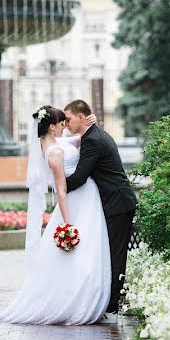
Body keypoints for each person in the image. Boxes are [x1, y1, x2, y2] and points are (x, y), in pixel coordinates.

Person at [0, 105, 111, 325]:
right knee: (84, 251)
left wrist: (89, 123)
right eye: (60, 124)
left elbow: (79, 140)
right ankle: (79, 300)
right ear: (51, 127)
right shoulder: (55, 153)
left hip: (85, 197)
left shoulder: (51, 143)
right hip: (78, 202)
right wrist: (68, 222)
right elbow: (61, 190)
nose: (64, 127)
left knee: (85, 251)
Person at [63, 99, 138, 324]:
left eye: (68, 119)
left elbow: (79, 177)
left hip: (118, 203)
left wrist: (57, 184)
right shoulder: (93, 134)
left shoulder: (93, 140)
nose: (65, 124)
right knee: (110, 254)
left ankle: (113, 308)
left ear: (80, 117)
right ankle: (110, 304)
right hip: (115, 202)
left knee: (116, 256)